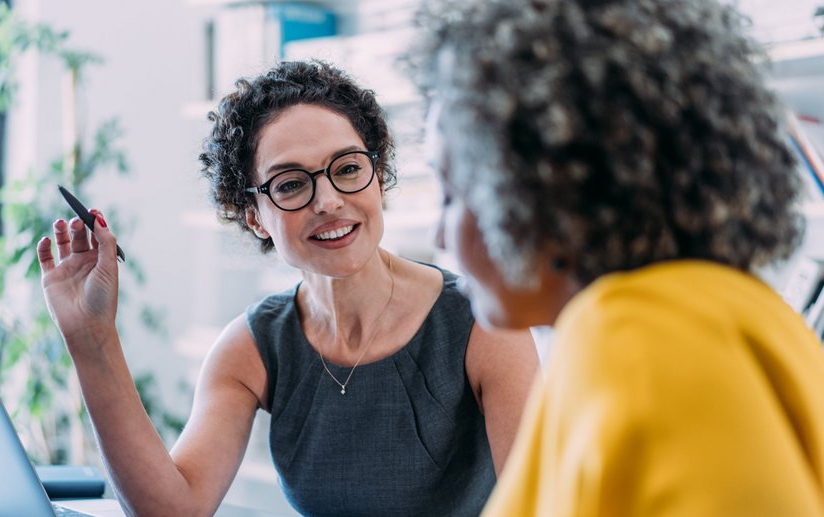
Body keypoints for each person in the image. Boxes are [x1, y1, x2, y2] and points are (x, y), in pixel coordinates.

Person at [36, 60, 538, 516]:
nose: (328, 201)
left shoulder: (484, 323)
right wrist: (91, 339)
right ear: (254, 216)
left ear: (379, 177)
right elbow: (171, 511)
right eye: (291, 184)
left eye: (347, 169)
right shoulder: (251, 347)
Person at [408, 0, 824, 515]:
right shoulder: (743, 311)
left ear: (544, 182)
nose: (440, 231)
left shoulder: (636, 336)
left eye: (450, 191)